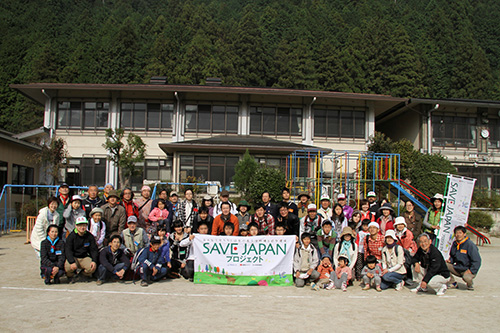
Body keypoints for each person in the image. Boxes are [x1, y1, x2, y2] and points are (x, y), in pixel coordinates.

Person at [64, 216, 98, 283]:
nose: (82, 227)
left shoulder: (89, 236)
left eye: (84, 225)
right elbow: (68, 250)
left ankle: (83, 275)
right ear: (76, 226)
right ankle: (71, 276)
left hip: (84, 257)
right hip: (74, 257)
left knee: (92, 267)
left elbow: (93, 250)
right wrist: (71, 261)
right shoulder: (71, 236)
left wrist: (94, 260)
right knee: (68, 267)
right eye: (80, 225)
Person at [447, 226, 481, 290]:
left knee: (466, 277)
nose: (458, 235)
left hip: (467, 269)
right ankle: (453, 283)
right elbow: (452, 256)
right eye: (456, 233)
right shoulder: (455, 244)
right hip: (458, 268)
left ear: (464, 234)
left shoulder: (470, 244)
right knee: (443, 265)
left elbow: (477, 261)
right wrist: (450, 261)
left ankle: (470, 284)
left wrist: (471, 270)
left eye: (460, 233)